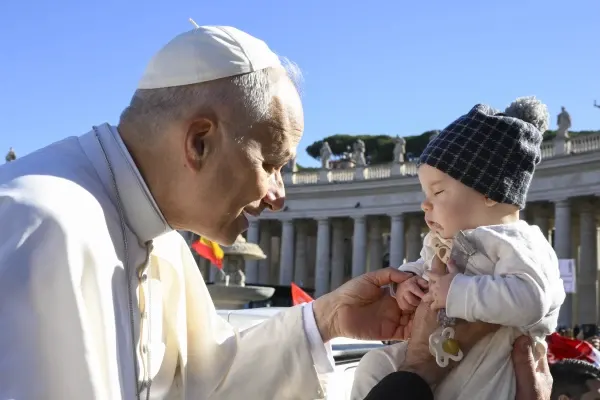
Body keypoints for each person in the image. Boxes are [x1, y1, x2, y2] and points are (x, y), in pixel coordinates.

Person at [0, 25, 421, 400]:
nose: (278, 197)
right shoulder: (31, 222)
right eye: (271, 165)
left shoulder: (164, 241)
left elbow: (209, 383)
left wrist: (328, 319)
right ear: (199, 142)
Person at [352, 97, 565, 399]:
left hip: (493, 361)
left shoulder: (522, 241)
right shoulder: (441, 242)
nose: (425, 204)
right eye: (425, 193)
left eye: (438, 191)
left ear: (491, 190)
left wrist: (457, 292)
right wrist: (409, 283)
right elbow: (426, 269)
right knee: (374, 364)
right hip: (443, 351)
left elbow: (531, 300)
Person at [363, 256, 553, 400]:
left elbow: (535, 297)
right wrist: (406, 283)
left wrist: (463, 294)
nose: (425, 207)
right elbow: (421, 266)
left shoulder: (512, 245)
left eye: (437, 201)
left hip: (498, 347)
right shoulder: (382, 364)